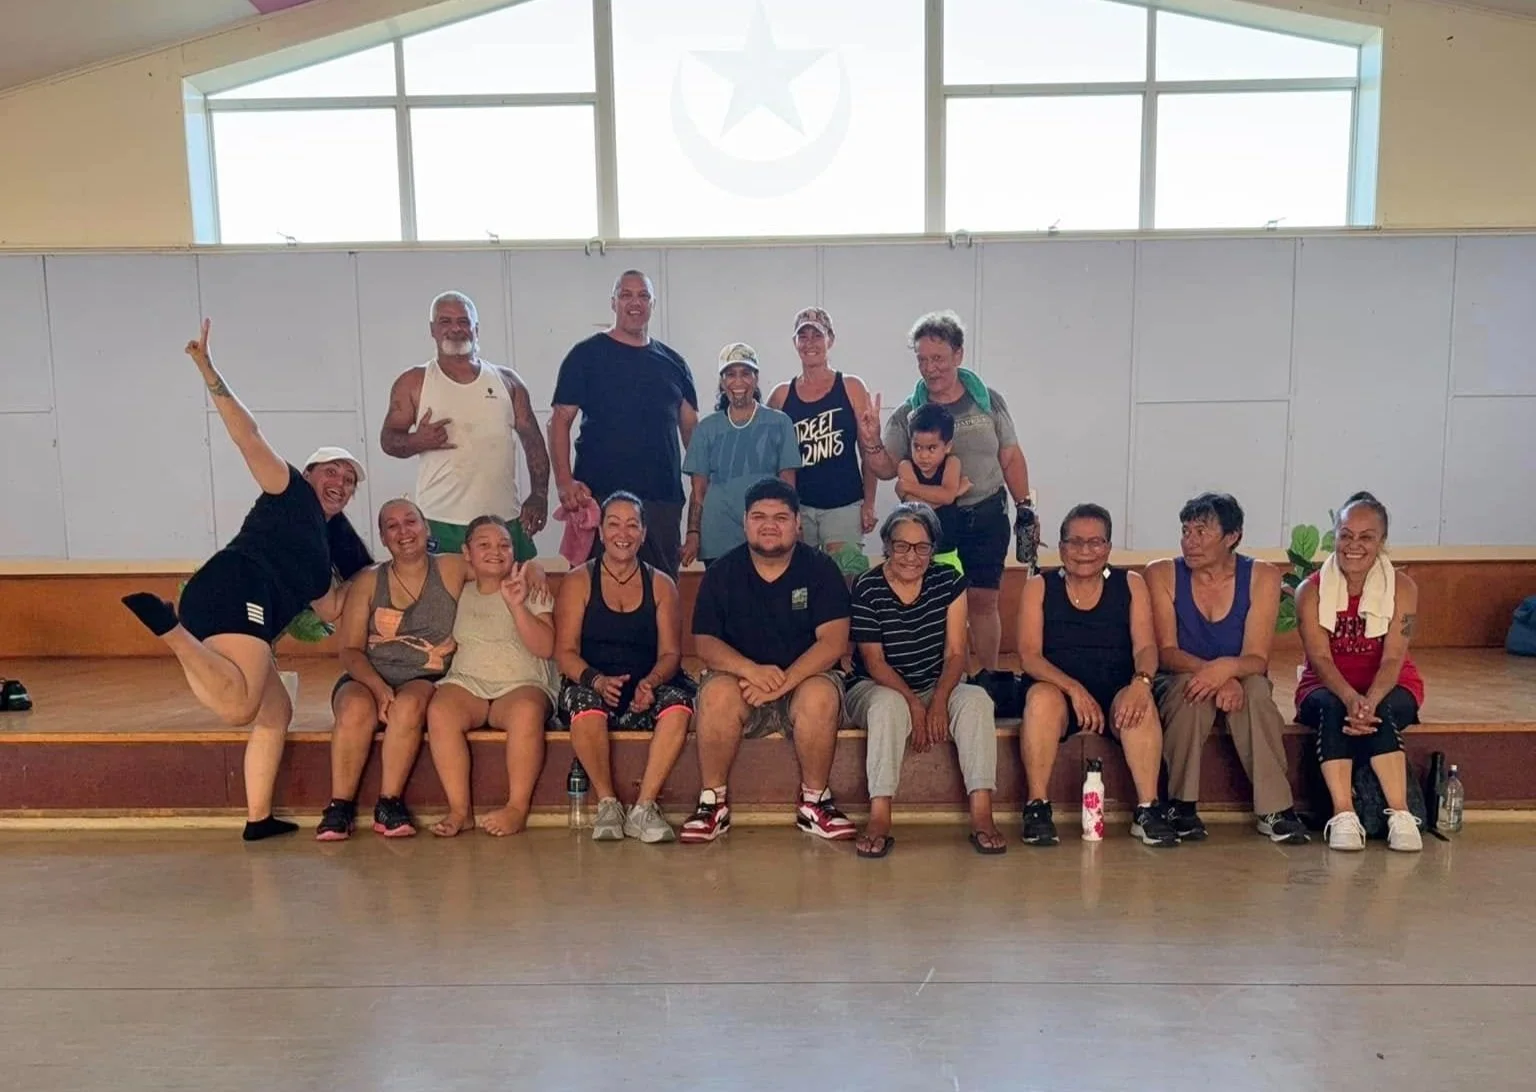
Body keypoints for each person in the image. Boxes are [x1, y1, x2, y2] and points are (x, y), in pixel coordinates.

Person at [120, 320, 373, 841]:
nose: (340, 483)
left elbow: (330, 609)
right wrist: (209, 371)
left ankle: (259, 819)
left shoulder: (330, 544)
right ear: (309, 474)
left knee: (273, 710)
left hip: (239, 601)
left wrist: (393, 567)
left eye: (348, 480)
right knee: (239, 706)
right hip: (237, 587)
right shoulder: (288, 492)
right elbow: (247, 435)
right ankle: (170, 631)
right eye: (332, 471)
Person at [683, 478, 855, 843]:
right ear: (745, 522)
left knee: (820, 695)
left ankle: (815, 803)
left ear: (798, 524)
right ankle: (712, 804)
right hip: (743, 684)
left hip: (803, 681)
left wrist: (781, 681)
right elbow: (705, 642)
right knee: (715, 694)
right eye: (759, 516)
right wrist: (751, 671)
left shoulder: (821, 570)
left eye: (780, 516)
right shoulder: (721, 573)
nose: (769, 524)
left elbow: (834, 642)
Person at [868, 310, 1036, 672]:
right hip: (934, 525)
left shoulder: (988, 401)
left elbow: (1010, 456)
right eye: (923, 360)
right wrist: (869, 442)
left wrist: (1025, 508)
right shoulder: (909, 413)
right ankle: (943, 680)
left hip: (986, 515)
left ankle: (989, 677)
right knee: (935, 604)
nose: (931, 368)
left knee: (984, 601)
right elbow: (884, 469)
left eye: (939, 359)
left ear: (959, 355)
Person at [1144, 492, 1308, 844]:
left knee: (1256, 695)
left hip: (1241, 676)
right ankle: (1180, 805)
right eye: (1185, 531)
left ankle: (1275, 808)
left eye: (1201, 532)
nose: (1190, 541)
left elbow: (1256, 658)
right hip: (1181, 674)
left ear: (1232, 536)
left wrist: (1228, 671)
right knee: (1192, 691)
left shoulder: (1261, 576)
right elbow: (1166, 651)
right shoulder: (1162, 573)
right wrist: (1216, 676)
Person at [1015, 504, 1179, 848]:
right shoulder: (1038, 587)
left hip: (1116, 688)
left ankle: (1148, 810)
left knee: (1140, 704)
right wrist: (1073, 689)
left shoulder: (1131, 583)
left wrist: (1141, 683)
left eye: (1095, 543)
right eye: (1074, 542)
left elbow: (1146, 648)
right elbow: (1029, 656)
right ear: (1061, 548)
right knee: (1040, 699)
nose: (1084, 551)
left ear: (1107, 547)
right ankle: (1037, 807)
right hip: (1060, 691)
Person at [847, 504, 1002, 857]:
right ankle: (880, 816)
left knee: (977, 701)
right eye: (901, 546)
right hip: (877, 686)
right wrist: (917, 705)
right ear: (886, 545)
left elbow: (956, 654)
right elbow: (874, 662)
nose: (911, 556)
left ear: (933, 549)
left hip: (936, 681)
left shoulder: (948, 580)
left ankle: (982, 814)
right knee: (888, 707)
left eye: (921, 547)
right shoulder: (868, 586)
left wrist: (939, 701)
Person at [553, 492, 696, 843]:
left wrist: (651, 683)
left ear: (644, 533)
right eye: (614, 524)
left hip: (647, 685)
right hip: (592, 683)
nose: (623, 533)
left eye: (633, 525)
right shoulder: (578, 581)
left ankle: (644, 807)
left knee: (679, 703)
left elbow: (671, 653)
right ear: (600, 532)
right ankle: (607, 803)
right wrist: (597, 681)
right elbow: (565, 652)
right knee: (584, 703)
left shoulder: (662, 584)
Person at [318, 498, 464, 841]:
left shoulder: (452, 568)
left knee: (408, 705)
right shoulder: (368, 581)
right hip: (367, 674)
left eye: (410, 522)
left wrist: (531, 569)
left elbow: (497, 564)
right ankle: (339, 806)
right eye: (392, 526)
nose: (404, 532)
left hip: (425, 675)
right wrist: (377, 686)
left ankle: (389, 803)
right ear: (383, 538)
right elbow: (350, 650)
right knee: (355, 708)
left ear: (426, 527)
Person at [1296, 492, 1424, 853]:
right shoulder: (1311, 591)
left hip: (1391, 684)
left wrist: (1368, 700)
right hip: (1325, 686)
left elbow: (1394, 657)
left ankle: (1400, 814)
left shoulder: (1403, 588)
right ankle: (1344, 814)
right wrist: (1352, 697)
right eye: (1345, 534)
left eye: (1366, 537)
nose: (1354, 545)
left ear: (1382, 542)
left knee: (1380, 712)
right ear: (1334, 536)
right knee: (1335, 709)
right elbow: (1319, 658)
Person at [379, 291, 549, 559]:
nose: (456, 329)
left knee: (511, 598)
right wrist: (417, 441)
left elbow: (534, 442)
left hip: (503, 517)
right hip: (440, 520)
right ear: (433, 329)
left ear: (476, 329)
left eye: (463, 321)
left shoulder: (507, 381)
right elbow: (388, 440)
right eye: (445, 321)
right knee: (444, 599)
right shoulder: (414, 382)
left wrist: (539, 495)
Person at [550, 271, 698, 578]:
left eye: (643, 295)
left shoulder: (674, 363)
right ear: (613, 302)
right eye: (626, 294)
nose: (635, 302)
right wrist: (564, 481)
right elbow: (560, 420)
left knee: (661, 594)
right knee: (596, 593)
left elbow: (692, 433)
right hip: (601, 496)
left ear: (652, 304)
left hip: (661, 501)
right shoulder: (586, 355)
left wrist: (702, 500)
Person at [424, 516, 558, 838]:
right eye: (483, 545)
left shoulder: (532, 587)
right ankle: (460, 810)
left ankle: (517, 808)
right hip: (468, 682)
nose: (495, 551)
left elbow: (545, 646)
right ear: (467, 553)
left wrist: (516, 606)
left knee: (527, 712)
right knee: (440, 711)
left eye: (504, 545)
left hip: (522, 683)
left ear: (515, 552)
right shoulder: (460, 589)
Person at [767, 307, 880, 577]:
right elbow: (771, 458)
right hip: (799, 507)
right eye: (802, 336)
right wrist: (783, 508)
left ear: (830, 339)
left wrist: (870, 502)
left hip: (844, 504)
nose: (810, 343)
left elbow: (868, 449)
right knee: (800, 585)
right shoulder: (781, 395)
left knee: (846, 580)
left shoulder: (851, 386)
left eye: (816, 335)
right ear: (794, 343)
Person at [681, 343, 801, 567]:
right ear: (722, 382)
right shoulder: (706, 428)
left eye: (745, 373)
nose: (738, 381)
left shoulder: (779, 422)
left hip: (766, 533)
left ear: (755, 379)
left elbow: (788, 484)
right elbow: (698, 490)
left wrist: (794, 525)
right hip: (717, 535)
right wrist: (693, 533)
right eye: (730, 374)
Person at [893, 403, 966, 572]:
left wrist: (909, 487)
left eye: (931, 448)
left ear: (947, 446)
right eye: (917, 447)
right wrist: (954, 493)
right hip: (914, 554)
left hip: (947, 550)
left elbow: (945, 497)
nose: (923, 455)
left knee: (951, 594)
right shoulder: (905, 466)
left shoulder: (952, 463)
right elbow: (917, 510)